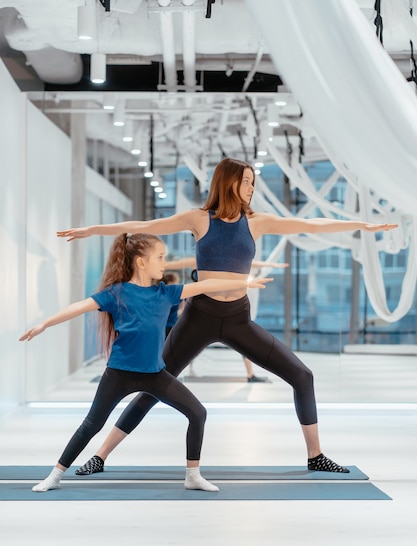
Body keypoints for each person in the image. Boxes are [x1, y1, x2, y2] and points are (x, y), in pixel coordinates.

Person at [57, 157, 397, 476]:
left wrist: (360, 225)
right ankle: (99, 456)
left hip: (237, 318)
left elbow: (310, 224)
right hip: (198, 317)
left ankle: (315, 456)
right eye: (247, 181)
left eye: (253, 182)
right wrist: (93, 230)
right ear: (229, 183)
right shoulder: (199, 219)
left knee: (302, 376)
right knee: (151, 387)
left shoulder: (257, 222)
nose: (252, 188)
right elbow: (144, 224)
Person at [19, 231, 271, 492]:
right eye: (160, 257)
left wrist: (244, 281)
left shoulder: (166, 293)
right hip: (119, 373)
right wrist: (43, 324)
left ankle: (193, 475)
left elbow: (206, 285)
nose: (164, 263)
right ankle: (55, 475)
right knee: (91, 425)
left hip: (154, 374)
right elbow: (79, 306)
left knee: (198, 413)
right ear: (141, 262)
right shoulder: (116, 293)